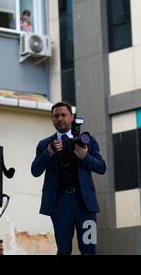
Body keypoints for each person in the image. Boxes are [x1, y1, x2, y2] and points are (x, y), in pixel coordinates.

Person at [31, 102, 106, 255]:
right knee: (63, 250)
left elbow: (101, 167)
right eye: (56, 116)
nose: (60, 118)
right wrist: (49, 152)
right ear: (52, 119)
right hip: (59, 205)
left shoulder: (87, 140)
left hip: (85, 205)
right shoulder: (45, 144)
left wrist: (85, 157)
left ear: (72, 117)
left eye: (64, 115)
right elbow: (35, 171)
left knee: (89, 248)